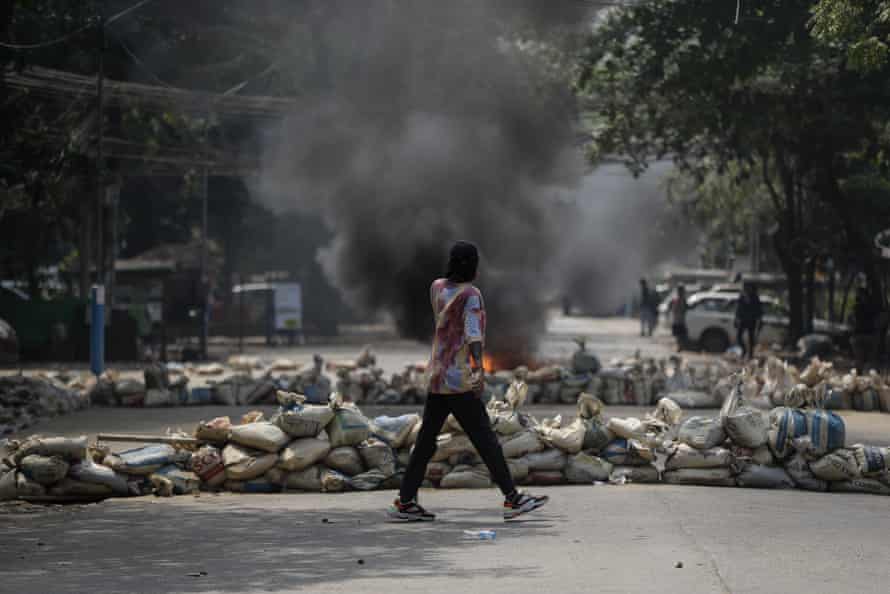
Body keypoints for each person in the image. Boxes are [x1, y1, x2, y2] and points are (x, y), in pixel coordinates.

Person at [388, 241, 549, 522]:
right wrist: (478, 370)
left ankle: (405, 500)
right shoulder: (471, 294)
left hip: (437, 374)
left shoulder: (436, 287)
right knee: (485, 439)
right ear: (473, 265)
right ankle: (513, 499)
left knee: (426, 441)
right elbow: (473, 334)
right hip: (458, 379)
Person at [734, 282, 763, 359]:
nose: (747, 289)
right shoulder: (742, 297)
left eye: (748, 288)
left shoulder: (755, 297)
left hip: (751, 320)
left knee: (751, 338)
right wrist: (736, 318)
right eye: (746, 288)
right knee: (738, 337)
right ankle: (744, 350)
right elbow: (738, 309)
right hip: (743, 320)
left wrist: (759, 320)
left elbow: (759, 310)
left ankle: (750, 354)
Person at [670, 285, 688, 352]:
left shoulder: (679, 299)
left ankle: (680, 347)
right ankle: (680, 347)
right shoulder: (679, 299)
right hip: (679, 320)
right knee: (679, 335)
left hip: (679, 320)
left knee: (679, 335)